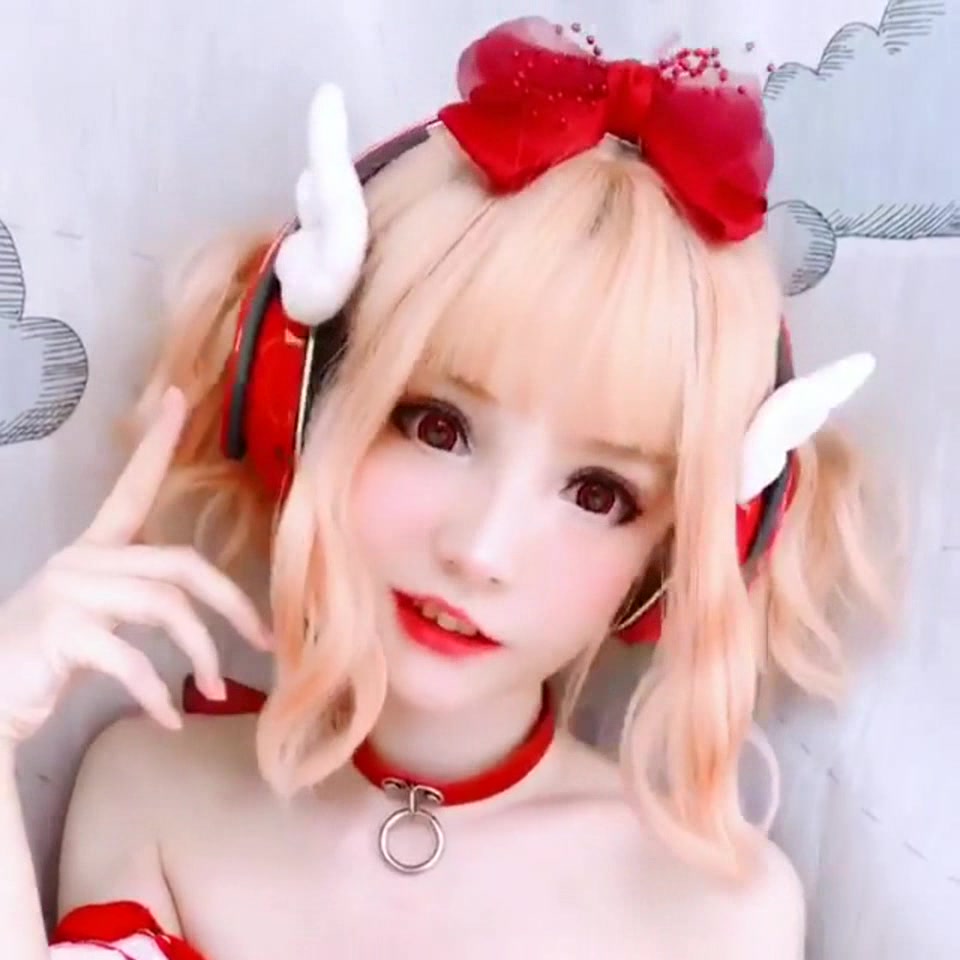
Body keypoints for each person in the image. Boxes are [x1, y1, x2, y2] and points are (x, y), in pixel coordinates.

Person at [0, 16, 888, 959]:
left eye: (598, 494)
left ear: (673, 558)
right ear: (303, 406)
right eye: (437, 428)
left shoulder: (715, 911)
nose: (482, 550)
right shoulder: (151, 786)